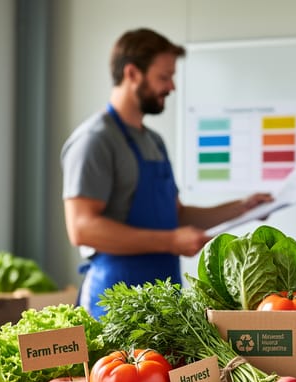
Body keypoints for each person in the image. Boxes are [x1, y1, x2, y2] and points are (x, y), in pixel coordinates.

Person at [61, 28, 272, 318]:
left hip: (163, 295)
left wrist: (242, 208)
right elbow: (82, 228)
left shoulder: (153, 141)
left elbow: (177, 215)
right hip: (113, 302)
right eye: (163, 77)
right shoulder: (95, 139)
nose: (171, 87)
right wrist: (171, 242)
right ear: (132, 73)